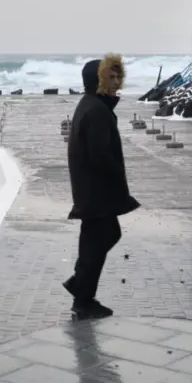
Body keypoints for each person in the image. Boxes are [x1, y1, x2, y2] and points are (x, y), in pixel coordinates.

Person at [63, 53, 141, 320]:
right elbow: (99, 155)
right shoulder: (96, 110)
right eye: (111, 76)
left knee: (97, 240)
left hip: (91, 190)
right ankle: (82, 295)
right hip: (97, 191)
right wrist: (116, 173)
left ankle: (81, 288)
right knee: (100, 240)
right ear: (98, 81)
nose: (117, 81)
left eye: (119, 76)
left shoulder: (91, 105)